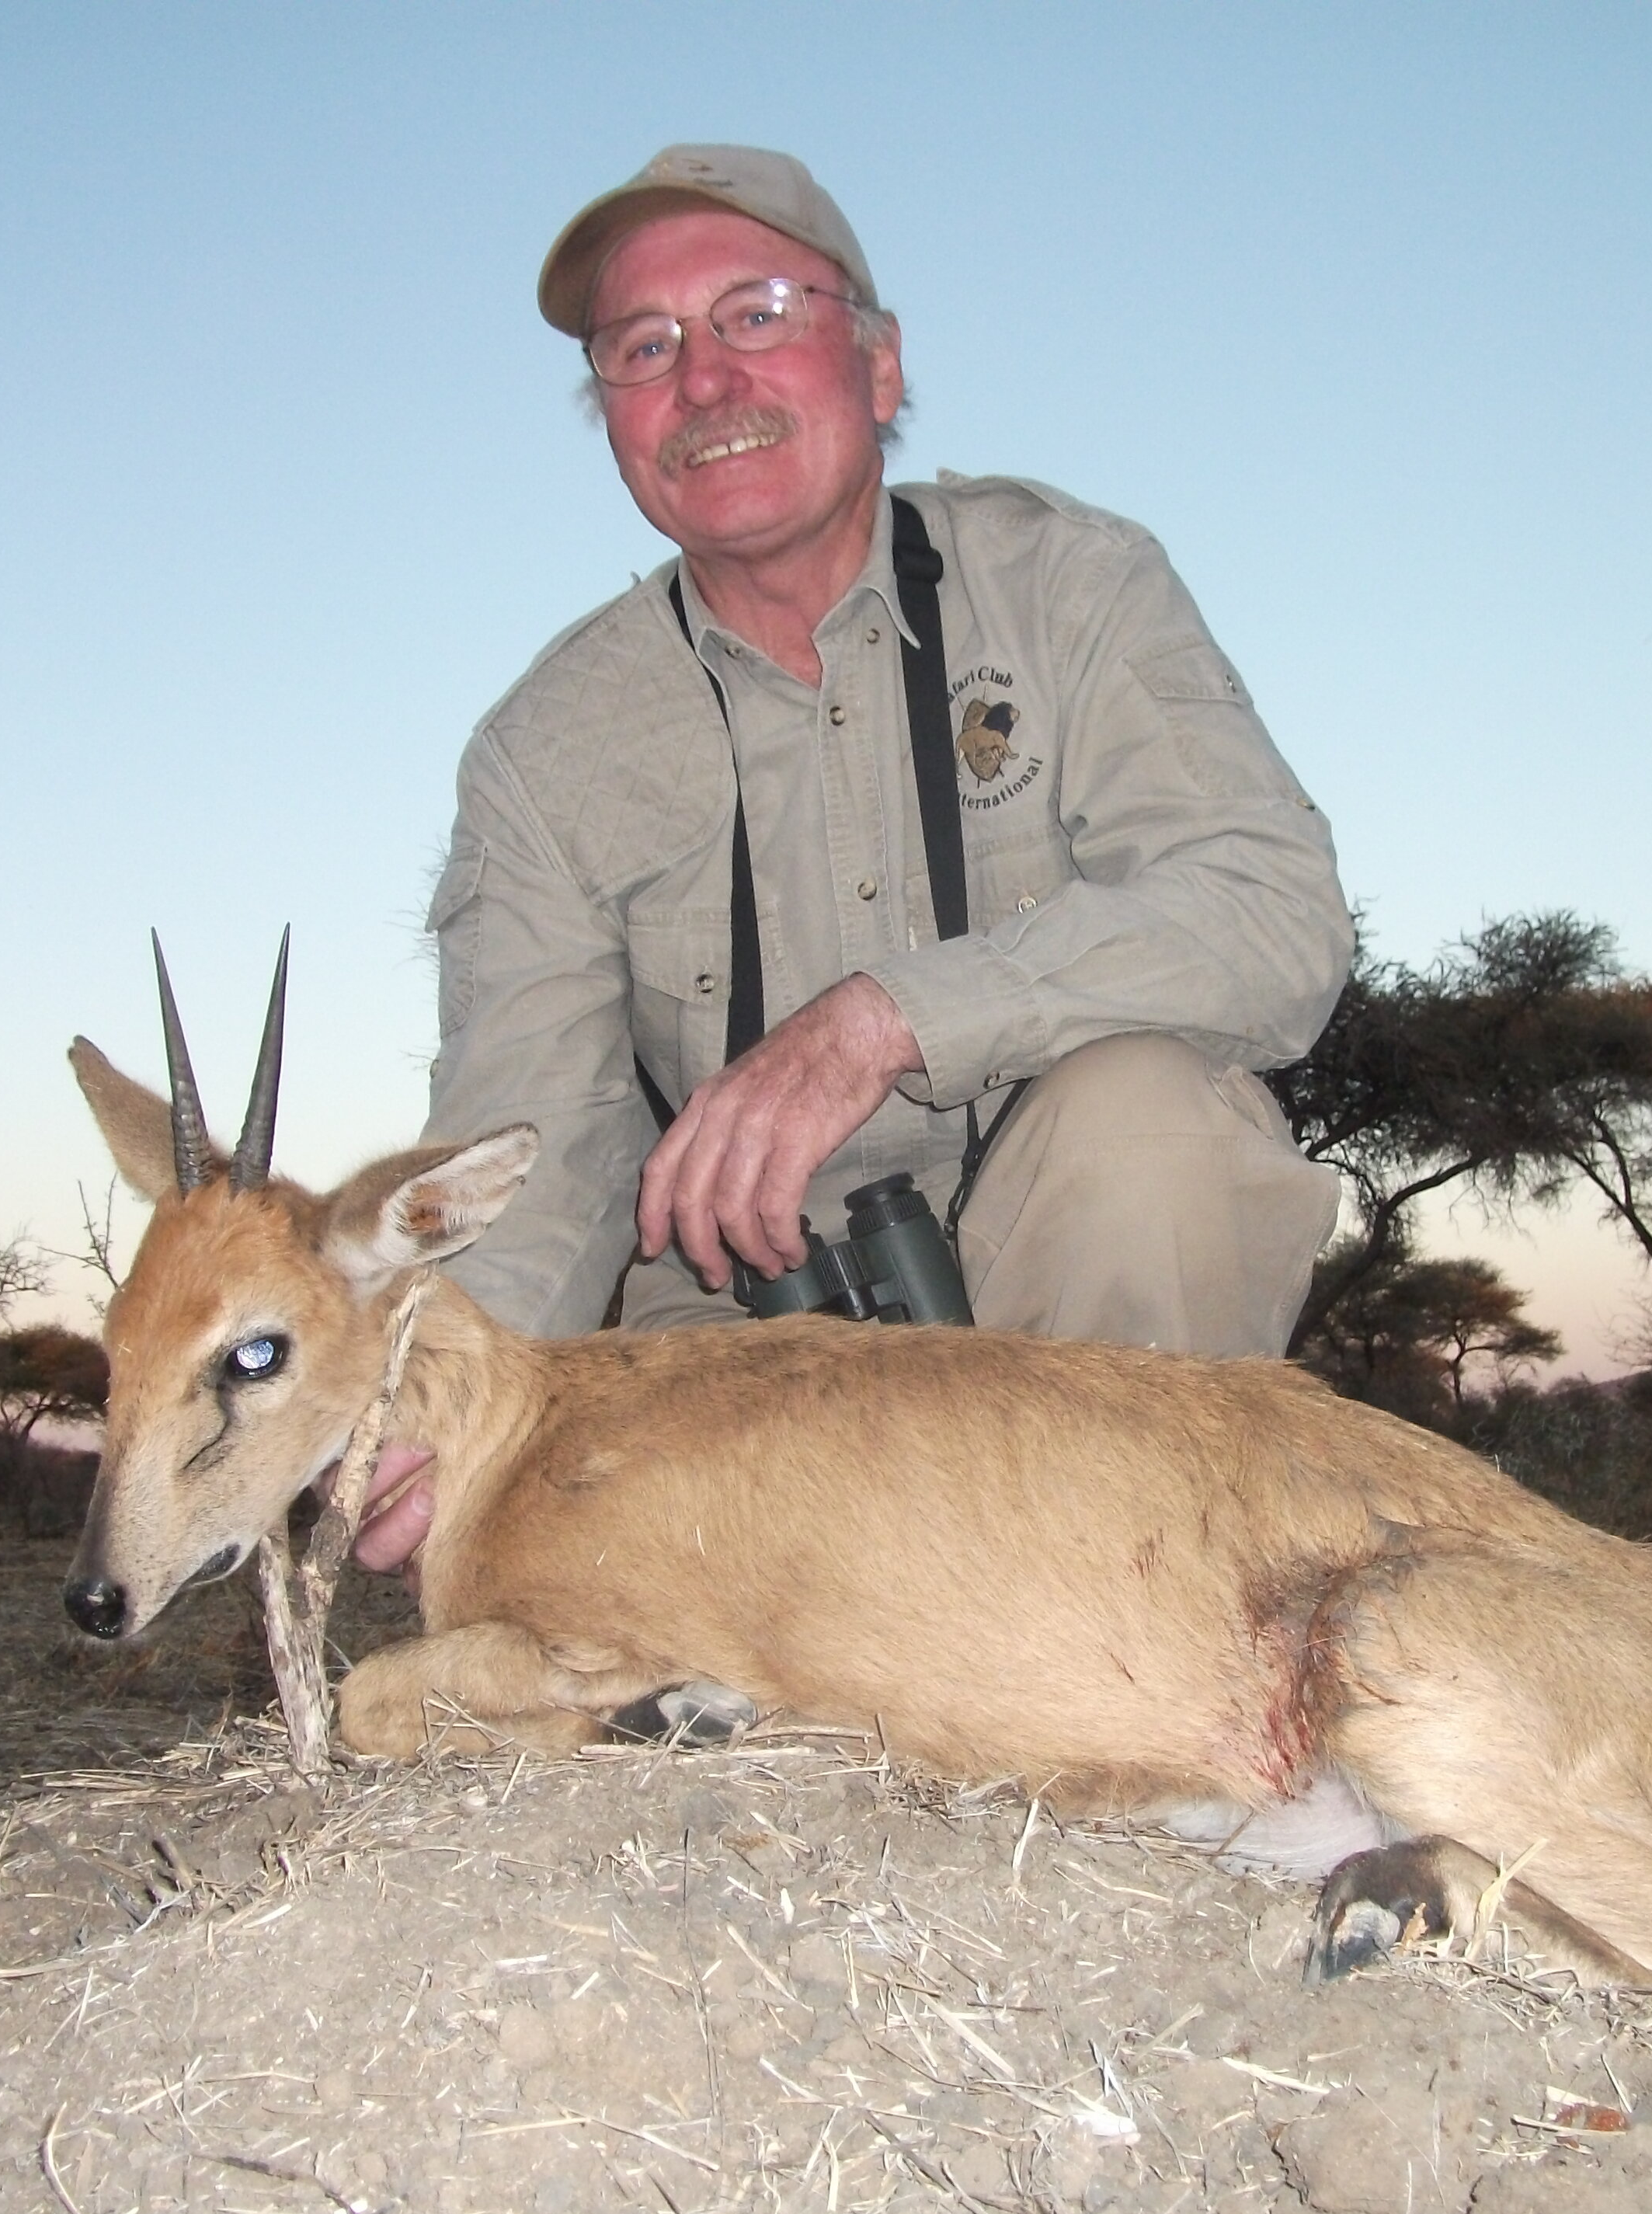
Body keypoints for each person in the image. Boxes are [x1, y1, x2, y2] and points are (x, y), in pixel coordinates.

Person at [417, 144, 1350, 1370]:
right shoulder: (542, 751)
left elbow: (1273, 915)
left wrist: (881, 1025)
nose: (703, 379)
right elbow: (530, 1151)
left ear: (879, 360)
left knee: (1151, 1132)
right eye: (644, 347)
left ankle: (1126, 1556)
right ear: (614, 418)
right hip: (752, 1321)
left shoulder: (1072, 583)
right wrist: (438, 1394)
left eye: (755, 314)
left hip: (1082, 1281)